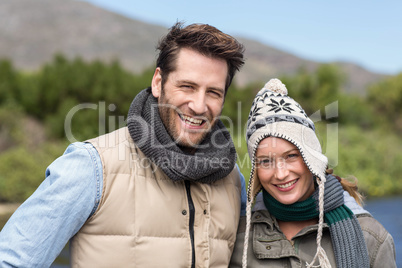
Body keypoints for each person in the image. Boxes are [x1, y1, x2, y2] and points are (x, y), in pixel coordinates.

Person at [0, 22, 248, 267]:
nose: (199, 105)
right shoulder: (92, 166)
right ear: (158, 82)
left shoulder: (233, 179)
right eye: (187, 86)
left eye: (213, 92)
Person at [229, 78, 396, 267]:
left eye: (291, 156)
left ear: (312, 158)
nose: (281, 173)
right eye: (266, 161)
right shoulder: (238, 237)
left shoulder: (370, 239)